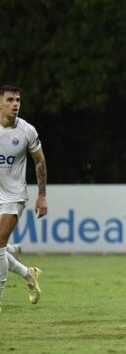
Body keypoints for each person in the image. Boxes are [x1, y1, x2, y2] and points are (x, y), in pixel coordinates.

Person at [0, 85, 45, 312]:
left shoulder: (27, 130)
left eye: (18, 99)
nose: (15, 103)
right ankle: (28, 273)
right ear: (0, 102)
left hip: (14, 195)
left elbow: (40, 161)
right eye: (10, 99)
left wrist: (42, 196)